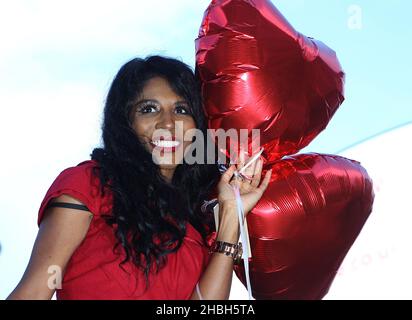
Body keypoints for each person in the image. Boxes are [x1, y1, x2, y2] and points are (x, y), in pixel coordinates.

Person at [7, 56, 271, 300]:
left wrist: (230, 217)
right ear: (126, 122)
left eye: (181, 110)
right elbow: (34, 290)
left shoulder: (194, 229)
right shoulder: (88, 185)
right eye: (149, 109)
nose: (168, 124)